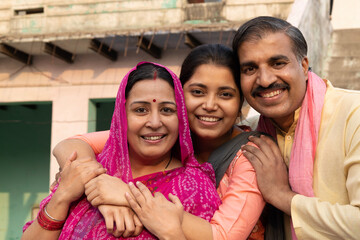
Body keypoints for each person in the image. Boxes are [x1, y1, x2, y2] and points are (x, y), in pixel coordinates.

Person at [52, 44, 266, 239]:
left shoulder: (250, 155)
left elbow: (223, 236)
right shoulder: (164, 134)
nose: (210, 105)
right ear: (181, 97)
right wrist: (93, 185)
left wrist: (128, 197)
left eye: (225, 94)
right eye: (198, 92)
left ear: (241, 102)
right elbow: (72, 144)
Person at [22, 62, 221, 240]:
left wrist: (128, 199)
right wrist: (63, 196)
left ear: (181, 118)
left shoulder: (195, 188)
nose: (154, 123)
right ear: (121, 116)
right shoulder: (90, 169)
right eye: (141, 110)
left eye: (167, 110)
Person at [232, 16, 360, 239]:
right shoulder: (250, 135)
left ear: (303, 65)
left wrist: (281, 196)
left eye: (277, 63)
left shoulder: (352, 114)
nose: (264, 80)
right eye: (250, 68)